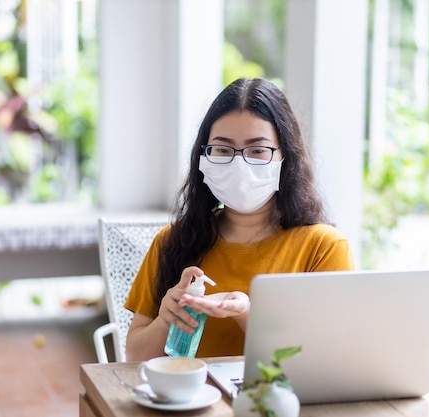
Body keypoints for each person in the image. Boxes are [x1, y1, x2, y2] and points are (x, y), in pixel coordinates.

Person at [124, 78, 354, 361]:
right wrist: (165, 319)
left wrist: (247, 315)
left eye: (257, 150)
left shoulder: (323, 248)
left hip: (274, 404)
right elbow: (134, 357)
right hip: (188, 402)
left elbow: (327, 360)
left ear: (286, 157)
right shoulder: (172, 241)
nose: (239, 163)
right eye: (222, 149)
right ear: (203, 157)